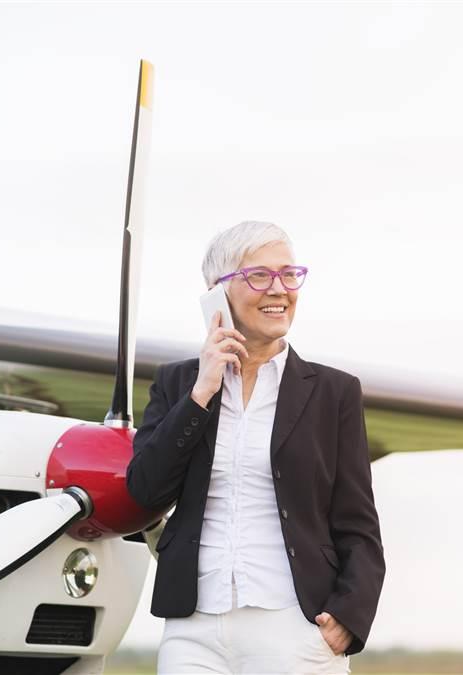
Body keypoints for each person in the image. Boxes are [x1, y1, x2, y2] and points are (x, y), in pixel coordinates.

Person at [126, 221, 385, 674]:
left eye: (290, 274)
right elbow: (146, 491)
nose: (280, 289)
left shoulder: (334, 392)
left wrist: (349, 616)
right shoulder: (178, 383)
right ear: (216, 294)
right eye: (260, 276)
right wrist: (200, 394)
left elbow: (358, 521)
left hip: (294, 627)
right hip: (193, 630)